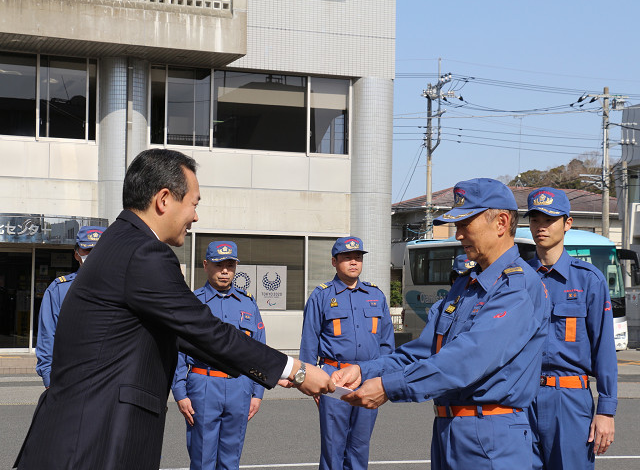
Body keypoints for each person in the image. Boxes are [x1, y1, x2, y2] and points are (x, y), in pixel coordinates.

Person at [14, 149, 334, 470]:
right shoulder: (144, 252)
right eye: (194, 203)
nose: (195, 216)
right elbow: (204, 329)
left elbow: (188, 337)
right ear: (164, 199)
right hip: (93, 443)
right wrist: (296, 370)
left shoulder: (120, 242)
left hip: (79, 437)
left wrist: (273, 372)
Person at [333, 178, 550, 469]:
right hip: (450, 430)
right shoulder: (467, 286)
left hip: (492, 436)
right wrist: (364, 370)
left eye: (465, 225)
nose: (458, 235)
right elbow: (423, 350)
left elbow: (468, 358)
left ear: (501, 222)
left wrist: (388, 387)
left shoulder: (517, 287)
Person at [524, 187, 617, 469]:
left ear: (567, 224)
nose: (541, 227)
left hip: (569, 400)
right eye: (535, 220)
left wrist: (606, 411)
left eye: (549, 220)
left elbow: (604, 348)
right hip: (520, 399)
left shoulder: (588, 280)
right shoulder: (517, 280)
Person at [300, 236, 394, 470]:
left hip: (367, 377)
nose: (354, 262)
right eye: (347, 258)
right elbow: (309, 342)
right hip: (335, 378)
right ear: (334, 262)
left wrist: (384, 379)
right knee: (333, 447)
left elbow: (386, 344)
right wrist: (311, 380)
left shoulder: (376, 295)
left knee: (360, 446)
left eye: (358, 258)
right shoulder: (321, 295)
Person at [172, 241, 266, 470]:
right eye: (219, 265)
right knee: (202, 459)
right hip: (204, 385)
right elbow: (178, 350)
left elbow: (259, 347)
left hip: (239, 386)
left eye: (230, 265)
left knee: (231, 460)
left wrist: (258, 392)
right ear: (206, 265)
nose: (225, 271)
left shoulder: (248, 303)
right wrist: (180, 392)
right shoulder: (192, 302)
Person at [36, 225, 106, 388]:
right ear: (76, 254)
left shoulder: (123, 287)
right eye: (87, 250)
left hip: (110, 382)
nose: (93, 255)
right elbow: (47, 336)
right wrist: (49, 379)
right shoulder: (59, 290)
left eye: (99, 250)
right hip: (70, 380)